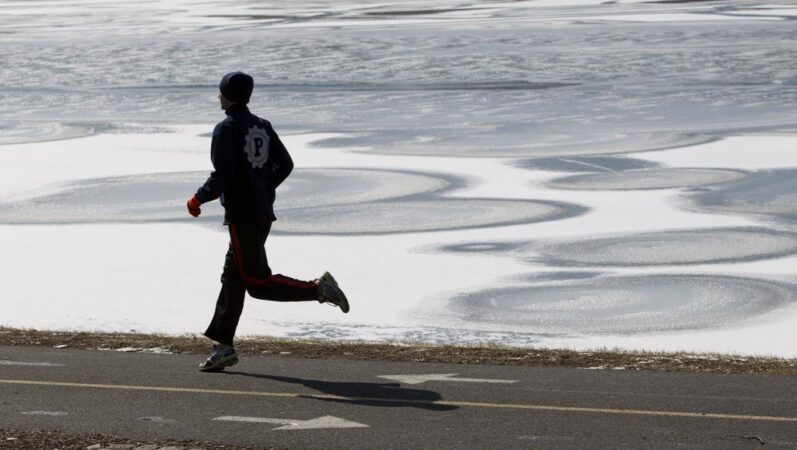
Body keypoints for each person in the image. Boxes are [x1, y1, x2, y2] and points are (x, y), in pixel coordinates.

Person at [187, 71, 349, 372]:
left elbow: (222, 176)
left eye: (221, 92)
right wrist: (262, 186)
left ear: (229, 96)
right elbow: (285, 164)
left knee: (257, 282)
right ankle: (223, 347)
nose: (218, 96)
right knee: (233, 280)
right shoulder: (262, 125)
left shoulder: (226, 129)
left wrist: (197, 199)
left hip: (243, 216)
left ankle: (319, 289)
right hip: (261, 212)